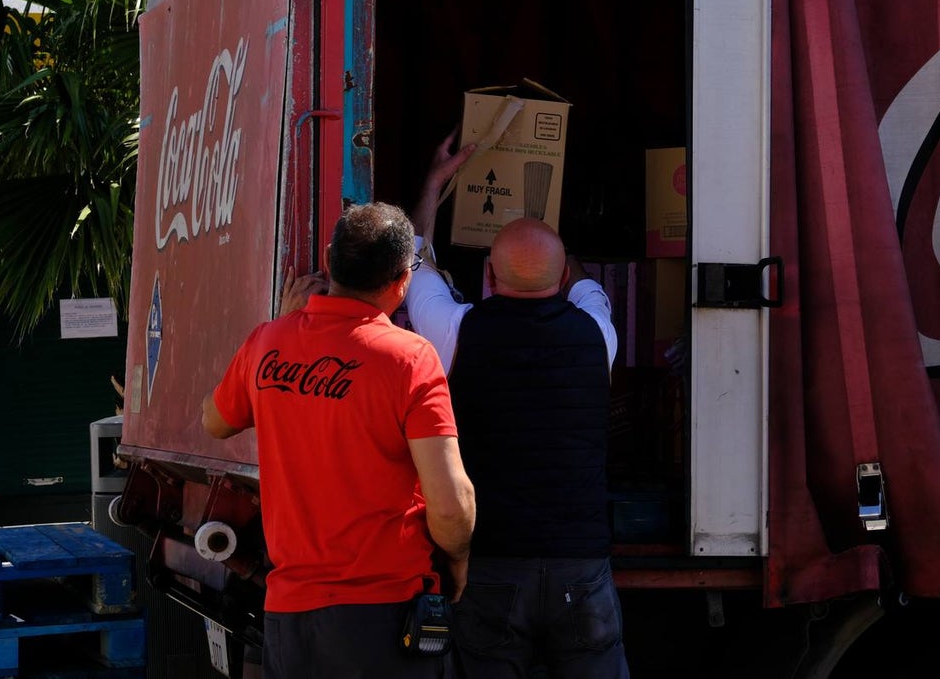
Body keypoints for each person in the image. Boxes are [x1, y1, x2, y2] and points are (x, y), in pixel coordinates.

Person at [202, 201, 476, 679]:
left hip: (289, 615)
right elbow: (451, 507)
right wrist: (458, 560)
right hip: (382, 617)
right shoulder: (409, 359)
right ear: (401, 282)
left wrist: (276, 335)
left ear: (329, 262)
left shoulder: (268, 341)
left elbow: (214, 420)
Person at [404, 132, 630, 679]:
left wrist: (435, 183)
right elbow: (584, 286)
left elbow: (413, 262)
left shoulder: (457, 329)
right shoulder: (598, 333)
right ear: (563, 279)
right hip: (582, 564)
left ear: (487, 278)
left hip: (493, 560)